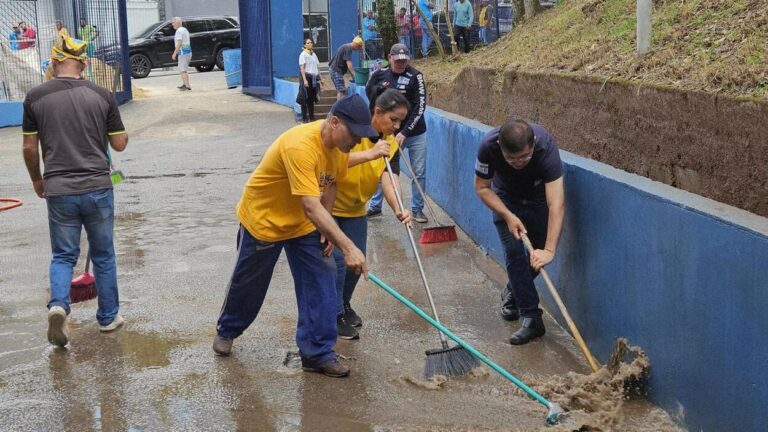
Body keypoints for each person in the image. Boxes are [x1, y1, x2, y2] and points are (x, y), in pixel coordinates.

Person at [212, 94, 375, 378]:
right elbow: (311, 205)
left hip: (301, 223)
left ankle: (317, 352)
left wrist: (327, 230)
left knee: (322, 274)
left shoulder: (339, 148)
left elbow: (330, 185)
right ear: (334, 123)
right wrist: (347, 246)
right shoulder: (300, 145)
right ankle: (228, 329)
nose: (358, 141)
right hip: (265, 220)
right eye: (355, 133)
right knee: (249, 284)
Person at [22, 36, 129, 347]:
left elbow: (29, 146)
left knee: (63, 255)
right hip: (97, 187)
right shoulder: (102, 95)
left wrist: (37, 180)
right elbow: (119, 143)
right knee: (104, 255)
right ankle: (108, 319)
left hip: (58, 189)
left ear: (55, 62)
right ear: (83, 63)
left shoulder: (35, 97)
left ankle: (58, 305)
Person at [474, 119, 565, 345]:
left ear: (532, 144)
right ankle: (531, 317)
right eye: (511, 158)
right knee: (515, 254)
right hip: (505, 198)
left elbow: (556, 203)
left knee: (535, 258)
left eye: (524, 157)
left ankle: (512, 292)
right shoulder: (488, 146)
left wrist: (550, 250)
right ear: (500, 148)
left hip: (538, 199)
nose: (518, 163)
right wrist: (507, 215)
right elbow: (482, 188)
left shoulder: (545, 148)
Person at [333, 88, 412, 340]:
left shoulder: (389, 143)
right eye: (394, 119)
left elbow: (390, 179)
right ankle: (333, 316)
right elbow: (333, 161)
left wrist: (399, 207)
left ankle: (343, 305)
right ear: (377, 112)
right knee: (335, 264)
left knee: (357, 264)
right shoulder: (354, 129)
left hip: (356, 209)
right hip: (330, 208)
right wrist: (371, 152)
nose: (397, 126)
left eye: (401, 121)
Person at [366, 44, 429, 224]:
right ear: (389, 57)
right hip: (388, 133)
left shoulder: (416, 76)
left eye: (404, 60)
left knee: (418, 172)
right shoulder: (379, 75)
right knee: (383, 166)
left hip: (415, 133)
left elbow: (420, 106)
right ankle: (375, 206)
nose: (401, 63)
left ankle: (416, 209)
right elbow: (371, 96)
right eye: (397, 60)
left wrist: (405, 131)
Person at [298, 38, 320, 123]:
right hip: (306, 77)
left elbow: (317, 68)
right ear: (304, 45)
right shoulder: (303, 54)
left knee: (311, 99)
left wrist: (321, 78)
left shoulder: (313, 54)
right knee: (304, 98)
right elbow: (302, 68)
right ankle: (304, 118)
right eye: (308, 43)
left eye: (311, 42)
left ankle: (311, 117)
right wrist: (305, 80)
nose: (310, 44)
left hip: (313, 78)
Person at [170, 17, 192, 91]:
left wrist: (174, 53)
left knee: (183, 70)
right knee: (183, 69)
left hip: (183, 52)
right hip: (188, 51)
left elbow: (179, 43)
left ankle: (187, 85)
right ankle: (185, 84)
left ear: (178, 22)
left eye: (173, 22)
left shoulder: (179, 31)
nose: (172, 24)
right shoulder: (184, 30)